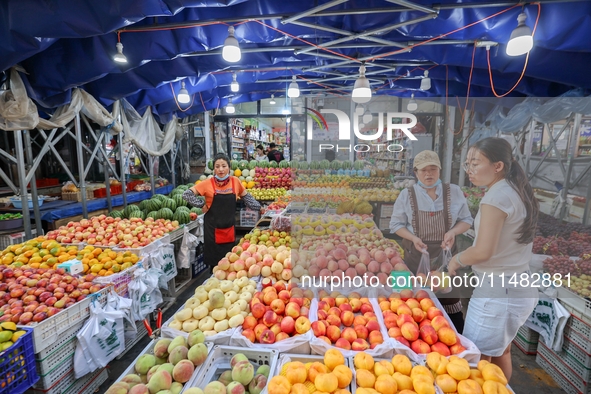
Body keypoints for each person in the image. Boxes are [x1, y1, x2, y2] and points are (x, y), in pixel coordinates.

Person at [447, 137, 539, 382]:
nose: (469, 170)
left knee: (476, 363)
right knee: (501, 353)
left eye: (475, 163)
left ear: (498, 166)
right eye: (467, 164)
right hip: (516, 287)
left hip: (498, 293)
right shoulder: (514, 191)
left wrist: (456, 260)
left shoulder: (495, 198)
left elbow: (483, 251)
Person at [389, 150, 473, 333]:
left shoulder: (454, 192)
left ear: (440, 170)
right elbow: (395, 225)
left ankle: (456, 340)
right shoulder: (407, 195)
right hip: (414, 258)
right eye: (423, 170)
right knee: (409, 306)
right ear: (416, 172)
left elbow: (467, 220)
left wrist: (452, 232)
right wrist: (413, 238)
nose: (428, 174)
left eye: (433, 169)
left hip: (446, 260)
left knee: (450, 304)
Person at [182, 153, 262, 272]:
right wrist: (201, 204)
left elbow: (247, 198)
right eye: (217, 166)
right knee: (215, 266)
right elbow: (186, 194)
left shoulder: (235, 182)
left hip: (229, 228)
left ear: (229, 168)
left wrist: (260, 208)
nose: (220, 169)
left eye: (224, 166)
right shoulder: (207, 183)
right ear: (214, 168)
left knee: (230, 262)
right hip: (212, 230)